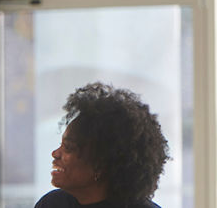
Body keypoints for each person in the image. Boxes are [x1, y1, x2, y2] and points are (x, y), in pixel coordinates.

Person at [35, 82, 170, 208]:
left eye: (69, 148)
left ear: (101, 163)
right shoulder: (52, 204)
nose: (55, 154)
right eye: (61, 145)